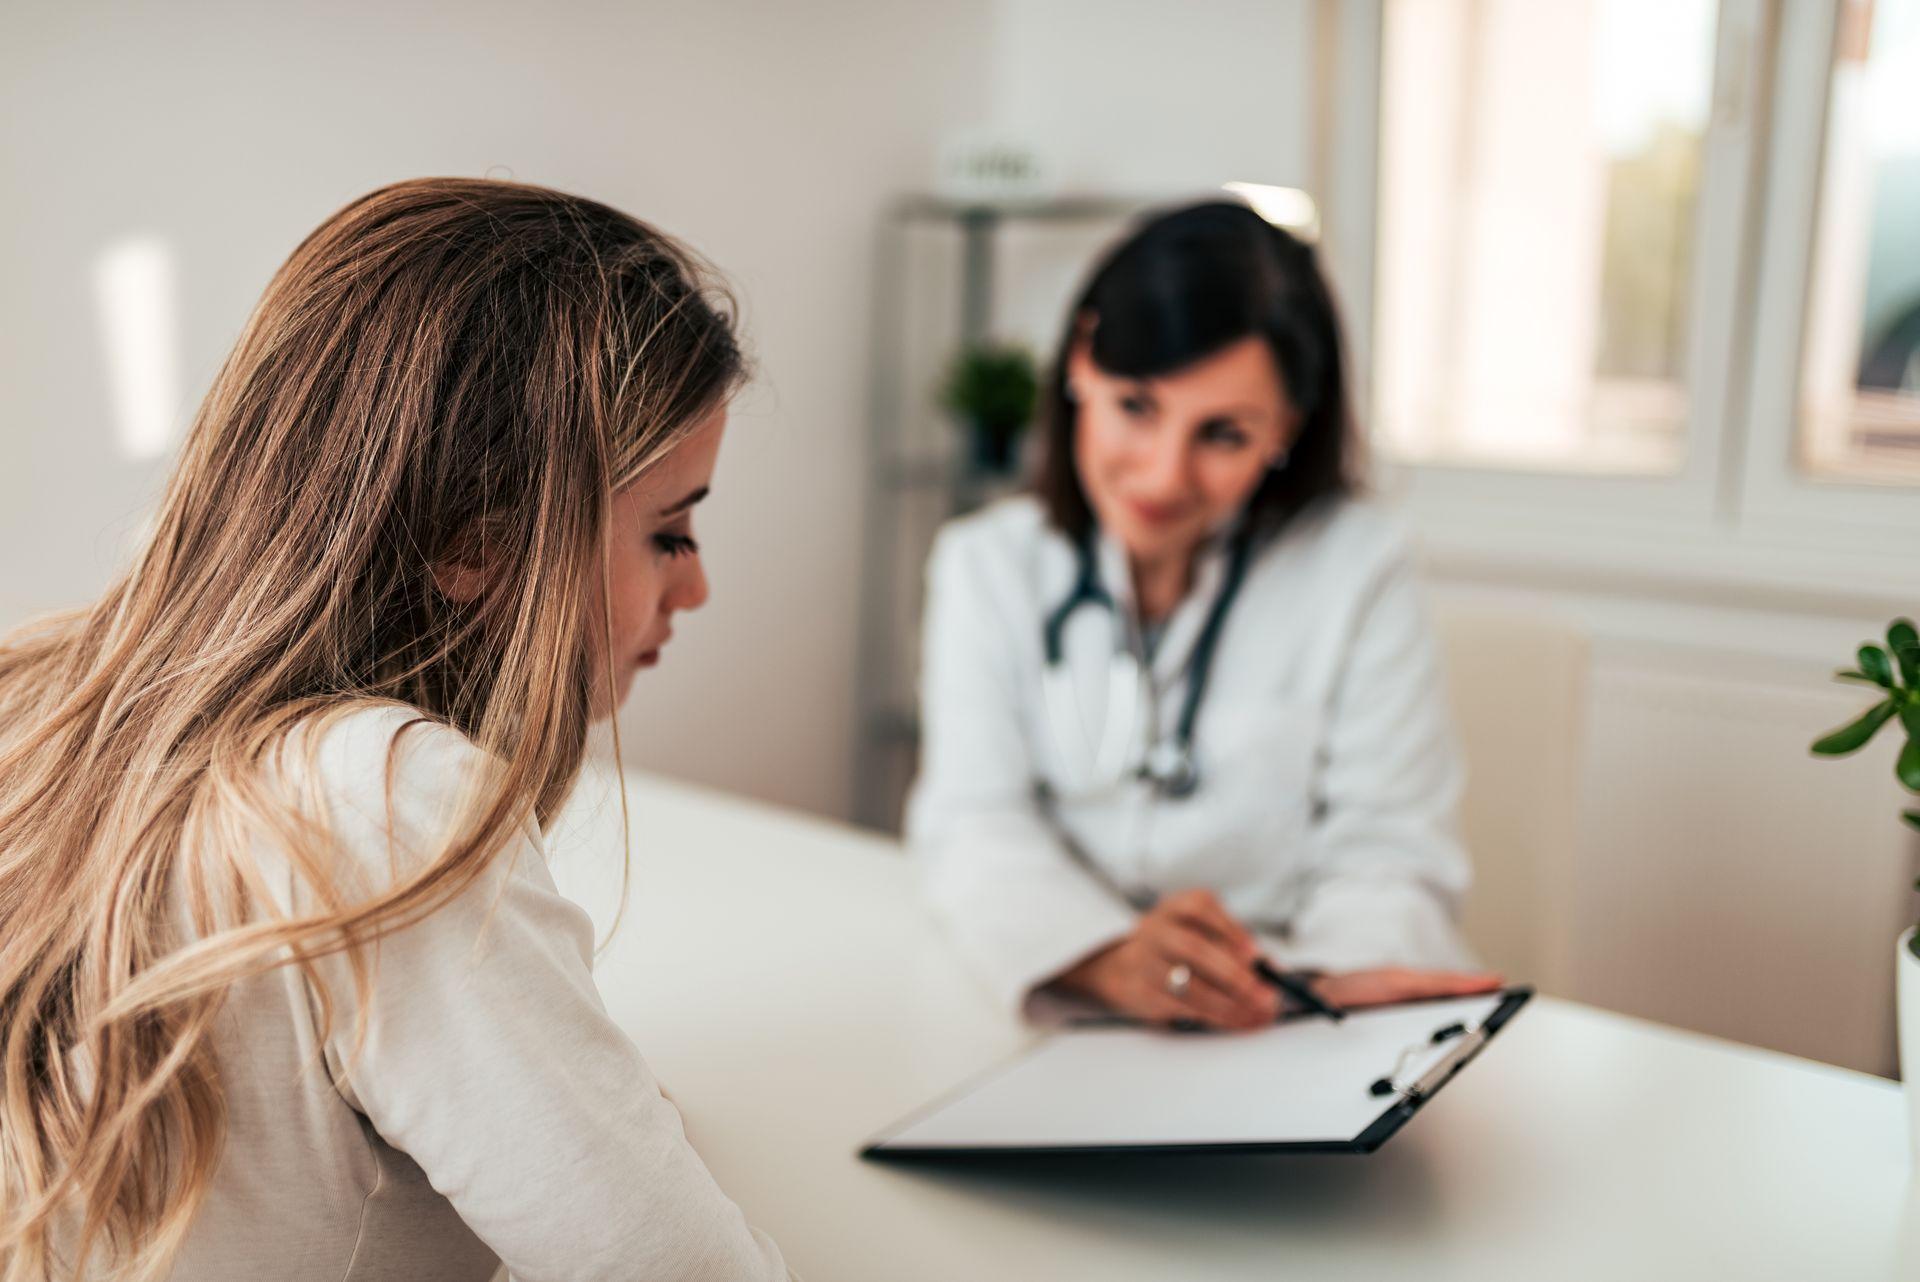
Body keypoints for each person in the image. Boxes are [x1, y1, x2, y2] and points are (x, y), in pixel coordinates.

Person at [0, 179, 792, 1280]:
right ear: (476, 539)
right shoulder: (386, 801)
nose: (696, 587)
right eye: (669, 532)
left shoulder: (32, 699)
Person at [906, 200, 1501, 1030]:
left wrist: (1311, 989)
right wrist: (1106, 957)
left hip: (1286, 1014)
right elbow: (974, 822)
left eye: (1223, 434)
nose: (1162, 476)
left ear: (1287, 426)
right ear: (1081, 361)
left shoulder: (1359, 568)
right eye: (1136, 409)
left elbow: (1389, 852)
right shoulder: (989, 565)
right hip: (1071, 1007)